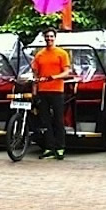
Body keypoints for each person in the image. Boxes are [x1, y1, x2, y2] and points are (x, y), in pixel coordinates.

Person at [32, 28, 72, 160]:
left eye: (51, 36)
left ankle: (60, 147)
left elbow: (67, 72)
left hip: (57, 91)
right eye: (47, 37)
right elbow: (35, 74)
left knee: (58, 120)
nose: (49, 39)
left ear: (55, 38)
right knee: (45, 121)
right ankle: (49, 148)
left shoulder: (62, 53)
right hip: (43, 91)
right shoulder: (39, 55)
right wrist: (35, 91)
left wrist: (54, 77)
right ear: (44, 38)